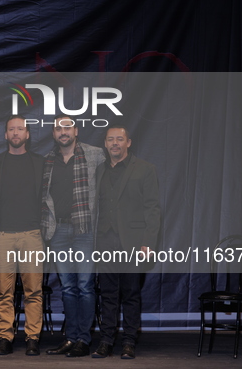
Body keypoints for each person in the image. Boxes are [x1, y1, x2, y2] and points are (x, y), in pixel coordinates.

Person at [92, 125, 161, 360]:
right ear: (105, 143)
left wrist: (148, 242)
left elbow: (153, 208)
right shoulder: (100, 170)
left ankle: (129, 341)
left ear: (128, 143)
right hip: (104, 241)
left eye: (119, 139)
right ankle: (106, 341)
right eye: (110, 139)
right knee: (108, 294)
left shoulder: (145, 169)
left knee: (131, 294)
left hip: (133, 243)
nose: (114, 143)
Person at [42, 115, 105, 357]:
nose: (63, 132)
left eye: (67, 127)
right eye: (58, 128)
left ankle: (84, 339)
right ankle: (71, 338)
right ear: (53, 133)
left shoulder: (95, 154)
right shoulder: (48, 160)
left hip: (84, 230)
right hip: (58, 231)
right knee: (68, 288)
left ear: (76, 131)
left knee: (85, 286)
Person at [0, 115, 44, 356]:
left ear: (27, 134)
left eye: (20, 129)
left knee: (33, 290)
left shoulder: (40, 162)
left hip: (32, 235)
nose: (16, 133)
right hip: (4, 235)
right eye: (11, 129)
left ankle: (32, 337)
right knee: (4, 291)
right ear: (6, 135)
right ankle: (5, 336)